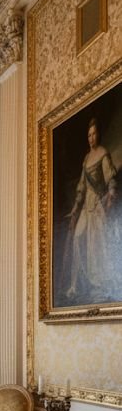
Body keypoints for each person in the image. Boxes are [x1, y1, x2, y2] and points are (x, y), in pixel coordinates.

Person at [64, 117, 118, 302]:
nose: (91, 138)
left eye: (94, 134)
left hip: (97, 205)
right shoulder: (86, 158)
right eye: (89, 135)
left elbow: (110, 178)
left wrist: (111, 194)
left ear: (99, 134)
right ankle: (77, 284)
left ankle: (99, 284)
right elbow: (81, 185)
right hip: (86, 206)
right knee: (78, 237)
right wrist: (75, 207)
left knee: (96, 245)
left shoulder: (103, 153)